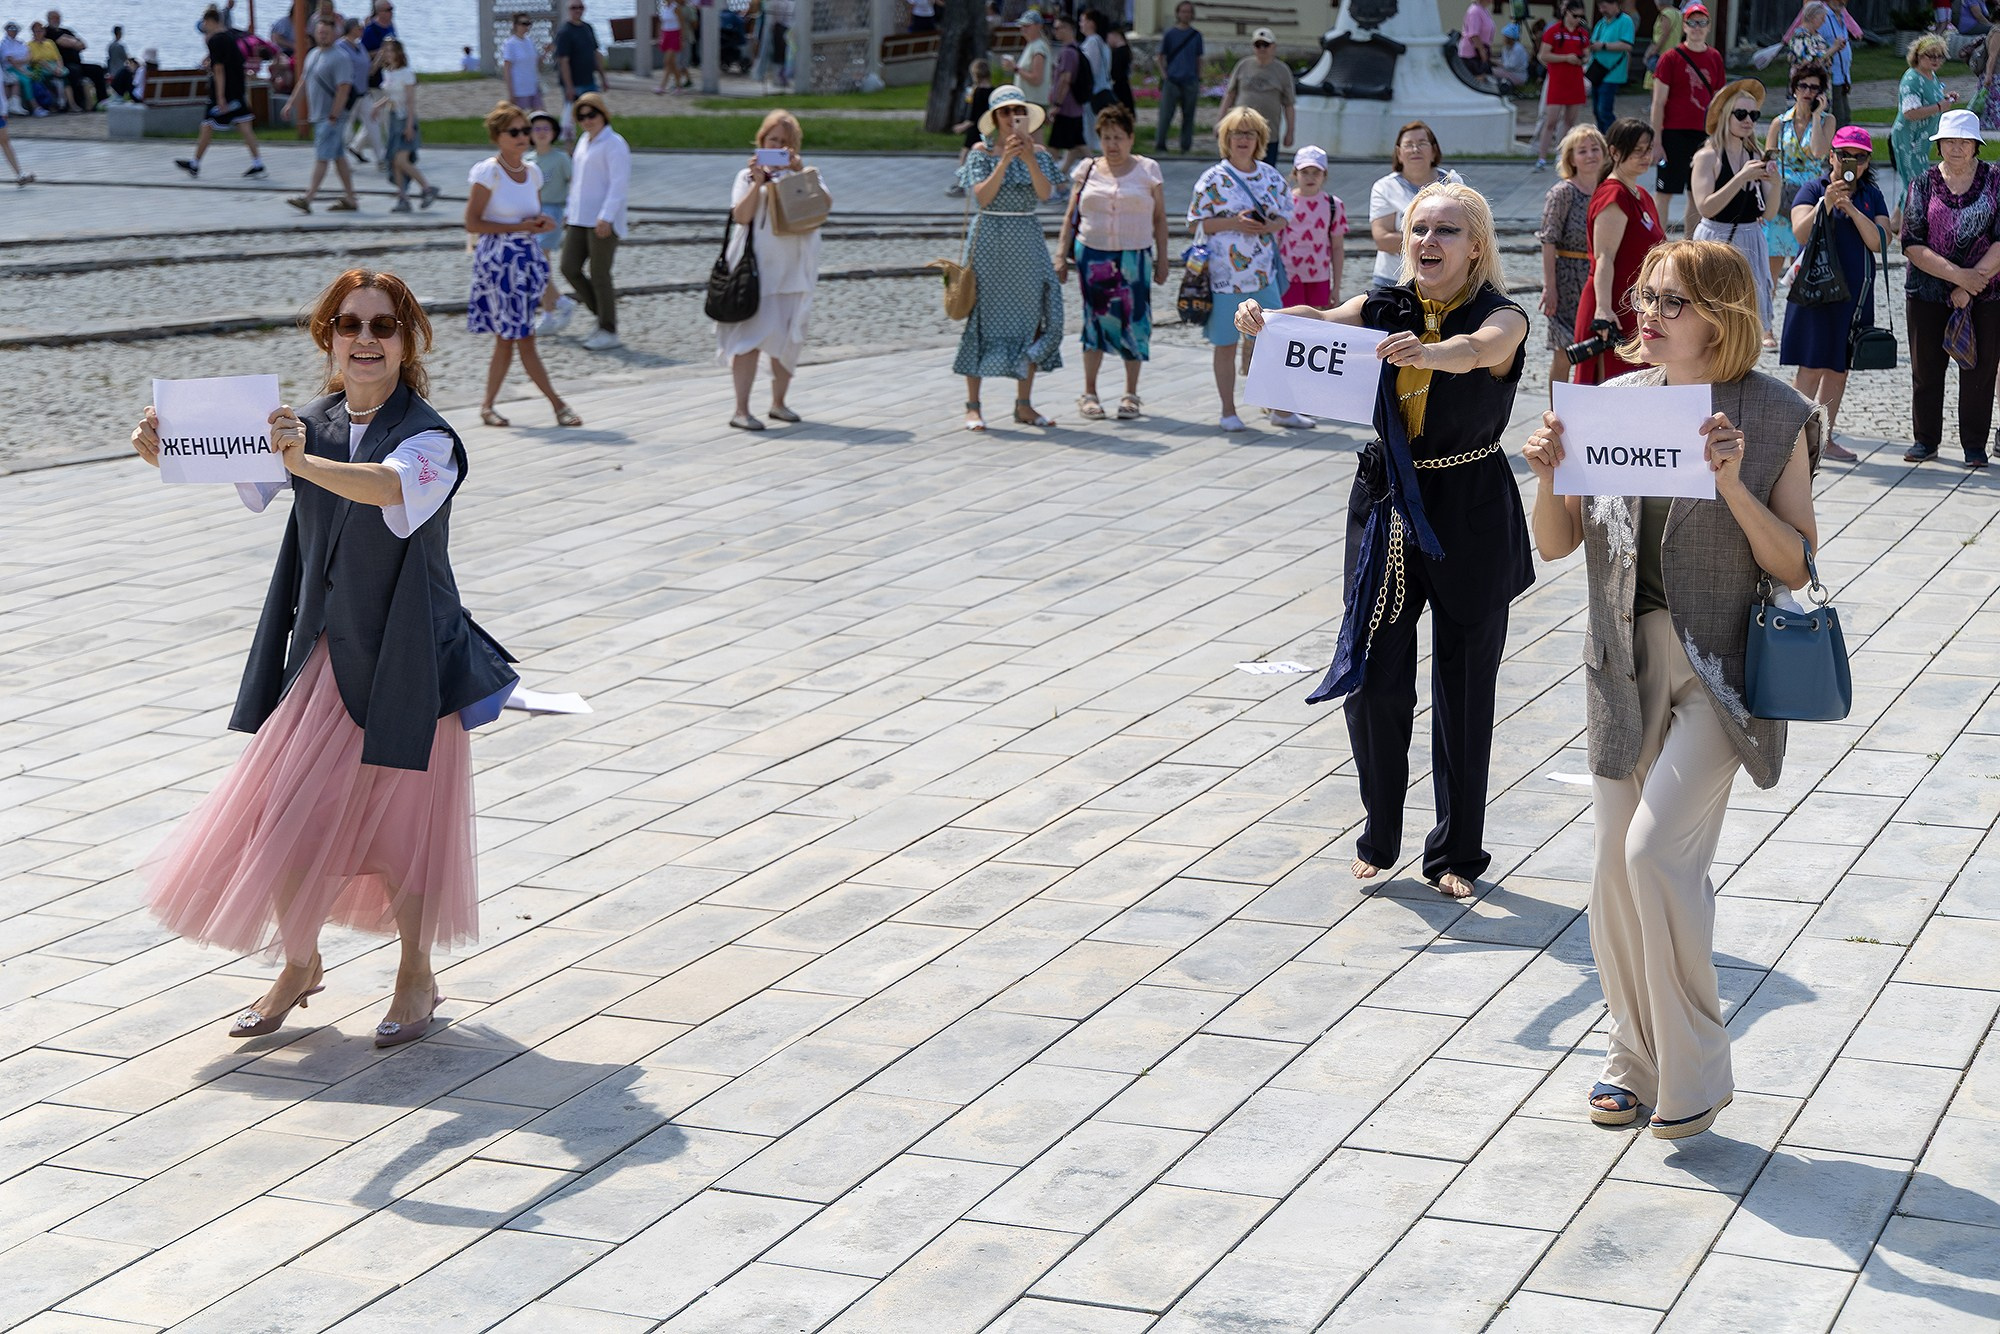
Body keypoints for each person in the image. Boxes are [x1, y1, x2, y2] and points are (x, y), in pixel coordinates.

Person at [128, 268, 523, 1049]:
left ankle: (416, 974)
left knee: (407, 827)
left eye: (383, 326)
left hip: (407, 659)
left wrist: (304, 463)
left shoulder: (431, 437)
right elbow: (232, 468)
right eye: (350, 325)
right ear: (328, 338)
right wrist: (160, 448)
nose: (365, 339)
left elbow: (386, 488)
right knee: (281, 814)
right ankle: (299, 965)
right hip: (320, 658)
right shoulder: (307, 421)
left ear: (409, 341)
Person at [1526, 238, 1822, 1140]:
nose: (1644, 315)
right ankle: (1632, 1055)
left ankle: (1694, 1069)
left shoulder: (1776, 414)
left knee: (1657, 855)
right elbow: (1554, 545)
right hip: (1622, 667)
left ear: (1722, 319)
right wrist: (1545, 478)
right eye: (1643, 297)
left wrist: (1732, 484)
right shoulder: (1609, 407)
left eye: (1669, 303)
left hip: (1723, 676)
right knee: (1614, 872)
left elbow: (1797, 565)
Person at [1235, 182, 1534, 901]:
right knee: (1371, 677)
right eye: (1418, 228)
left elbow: (1475, 351)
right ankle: (1381, 827)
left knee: (1465, 687)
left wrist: (1429, 355)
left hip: (1468, 507)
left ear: (1476, 246)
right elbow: (1319, 320)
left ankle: (1457, 850)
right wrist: (1265, 318)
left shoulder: (1503, 315)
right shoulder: (1384, 307)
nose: (1428, 241)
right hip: (1388, 504)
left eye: (1447, 231)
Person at [954, 85, 1063, 430]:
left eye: (1016, 111)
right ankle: (973, 405)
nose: (1010, 118)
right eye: (1003, 112)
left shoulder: (1040, 153)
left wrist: (1028, 157)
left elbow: (1046, 194)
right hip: (989, 239)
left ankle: (1024, 404)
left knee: (1032, 318)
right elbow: (983, 197)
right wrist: (1003, 160)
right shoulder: (980, 153)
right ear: (994, 118)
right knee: (981, 317)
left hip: (1026, 237)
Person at [465, 102, 581, 428]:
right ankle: (557, 404)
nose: (522, 137)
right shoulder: (489, 172)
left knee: (509, 336)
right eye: (514, 132)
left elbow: (530, 216)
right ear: (497, 136)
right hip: (499, 262)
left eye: (525, 131)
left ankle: (488, 406)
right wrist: (521, 227)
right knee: (521, 335)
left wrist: (540, 223)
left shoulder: (532, 172)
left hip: (526, 259)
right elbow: (473, 223)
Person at [1056, 102, 1168, 421]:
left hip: (1135, 255)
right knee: (1094, 321)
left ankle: (1130, 394)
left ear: (1131, 138)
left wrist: (1162, 260)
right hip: (1093, 254)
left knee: (1134, 322)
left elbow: (1160, 219)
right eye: (1106, 137)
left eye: (1118, 137)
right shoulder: (1087, 168)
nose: (1112, 144)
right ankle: (1089, 393)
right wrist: (1060, 255)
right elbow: (1070, 216)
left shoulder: (1148, 170)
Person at [717, 110, 830, 430]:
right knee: (748, 339)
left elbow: (824, 206)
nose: (778, 146)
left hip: (793, 270)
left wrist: (798, 174)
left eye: (785, 142)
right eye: (772, 141)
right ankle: (741, 409)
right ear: (761, 141)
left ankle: (779, 403)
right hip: (757, 271)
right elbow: (741, 216)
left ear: (794, 147)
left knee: (788, 339)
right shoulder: (746, 176)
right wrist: (758, 183)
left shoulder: (807, 174)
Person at [1780, 126, 1889, 450]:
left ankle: (1823, 438)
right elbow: (1800, 234)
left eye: (1860, 156)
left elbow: (1879, 242)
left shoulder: (1871, 195)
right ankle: (1793, 439)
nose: (1851, 161)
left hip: (1853, 295)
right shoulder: (1813, 189)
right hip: (1816, 291)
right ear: (1832, 156)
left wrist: (1852, 210)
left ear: (1868, 161)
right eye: (1844, 155)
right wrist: (1826, 204)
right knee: (1811, 366)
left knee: (1838, 369)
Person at [1904, 109, 2000, 467]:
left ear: (1976, 146)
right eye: (1949, 141)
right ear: (1939, 144)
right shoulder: (1923, 183)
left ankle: (1974, 444)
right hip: (1928, 292)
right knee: (1926, 368)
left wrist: (1973, 281)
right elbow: (1912, 242)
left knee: (1980, 369)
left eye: (1963, 141)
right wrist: (1958, 278)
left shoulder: (1996, 180)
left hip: (1986, 291)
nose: (1956, 147)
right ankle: (1925, 440)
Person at [1189, 107, 1292, 431]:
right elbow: (1199, 221)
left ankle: (1278, 408)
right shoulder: (1212, 179)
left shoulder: (1270, 175)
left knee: (1272, 341)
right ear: (1226, 139)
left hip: (1262, 273)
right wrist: (1235, 223)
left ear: (1259, 139)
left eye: (1249, 133)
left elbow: (1284, 216)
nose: (1243, 139)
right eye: (1237, 133)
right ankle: (1228, 410)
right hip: (1223, 280)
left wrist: (1268, 227)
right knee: (1226, 344)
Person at [1690, 80, 1780, 347]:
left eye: (1754, 115)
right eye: (1741, 114)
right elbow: (1706, 206)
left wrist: (1776, 183)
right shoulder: (1708, 156)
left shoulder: (1756, 153)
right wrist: (1741, 178)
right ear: (1725, 115)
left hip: (1751, 236)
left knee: (1746, 320)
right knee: (1713, 316)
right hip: (1715, 238)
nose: (1748, 121)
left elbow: (1771, 213)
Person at [1575, 117, 1665, 383]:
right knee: (1612, 387)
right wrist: (1603, 309)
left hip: (1636, 303)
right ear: (1614, 152)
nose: (1645, 156)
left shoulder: (1641, 194)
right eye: (1638, 150)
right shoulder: (1614, 195)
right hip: (1612, 303)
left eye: (1648, 149)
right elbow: (1604, 257)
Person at [1540, 124, 1609, 387]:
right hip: (1569, 276)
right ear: (1571, 158)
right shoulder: (1563, 193)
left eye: (1595, 149)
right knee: (1565, 351)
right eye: (1583, 151)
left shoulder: (1608, 189)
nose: (1590, 155)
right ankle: (1557, 413)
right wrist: (1550, 286)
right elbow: (1548, 240)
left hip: (1600, 277)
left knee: (1601, 348)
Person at [1649, 2, 1725, 237]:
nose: (1697, 28)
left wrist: (1719, 137)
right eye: (1692, 22)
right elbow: (1658, 101)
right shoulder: (1670, 58)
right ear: (1684, 26)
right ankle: (1659, 243)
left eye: (1701, 22)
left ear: (1708, 26)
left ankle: (1690, 244)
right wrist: (1656, 140)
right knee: (1665, 192)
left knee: (1697, 192)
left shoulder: (1714, 57)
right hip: (1673, 132)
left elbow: (1720, 100)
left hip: (1704, 134)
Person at [563, 91, 631, 351]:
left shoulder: (614, 143)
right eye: (581, 116)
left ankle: (608, 328)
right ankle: (601, 315)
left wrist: (607, 217)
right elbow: (578, 181)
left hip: (603, 219)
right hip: (580, 217)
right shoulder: (584, 141)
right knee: (569, 268)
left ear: (603, 114)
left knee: (600, 273)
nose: (587, 120)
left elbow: (618, 185)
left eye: (592, 114)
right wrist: (570, 211)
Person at [175, 6, 265, 180]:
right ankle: (257, 162)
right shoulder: (231, 37)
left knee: (208, 124)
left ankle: (195, 164)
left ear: (209, 21)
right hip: (237, 89)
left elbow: (219, 69)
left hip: (223, 92)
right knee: (243, 125)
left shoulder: (215, 40)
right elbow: (233, 62)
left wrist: (221, 97)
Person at [1370, 121, 1461, 289]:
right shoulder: (1384, 187)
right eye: (1408, 145)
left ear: (1434, 151)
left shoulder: (1453, 182)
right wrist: (1441, 240)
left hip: (1444, 279)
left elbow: (1466, 231)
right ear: (1399, 153)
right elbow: (1383, 240)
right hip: (1393, 279)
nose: (1415, 149)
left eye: (1422, 143)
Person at [1765, 63, 1833, 286]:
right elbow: (1768, 165)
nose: (1807, 92)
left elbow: (1818, 151)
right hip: (1782, 198)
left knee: (1803, 271)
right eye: (1803, 86)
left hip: (1809, 198)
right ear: (1794, 89)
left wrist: (1815, 117)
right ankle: (1767, 319)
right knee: (1770, 275)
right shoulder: (1779, 123)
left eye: (1814, 88)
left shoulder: (1827, 121)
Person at [285, 16, 359, 213]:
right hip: (319, 115)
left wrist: (333, 116)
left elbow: (343, 88)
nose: (323, 36)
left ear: (335, 34)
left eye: (326, 32)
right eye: (320, 32)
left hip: (332, 117)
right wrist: (291, 104)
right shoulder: (313, 55)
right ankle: (351, 199)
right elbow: (303, 81)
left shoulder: (340, 57)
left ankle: (308, 198)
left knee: (322, 157)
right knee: (338, 157)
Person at [1893, 36, 1955, 230]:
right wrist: (1939, 106)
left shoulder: (1931, 76)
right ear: (1918, 56)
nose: (1936, 60)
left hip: (1921, 141)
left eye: (1940, 56)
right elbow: (1910, 112)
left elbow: (1928, 101)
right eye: (1930, 55)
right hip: (1908, 140)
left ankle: (1895, 224)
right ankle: (1908, 230)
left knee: (1912, 181)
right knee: (1915, 184)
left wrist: (1945, 99)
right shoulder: (1912, 78)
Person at [528, 111, 578, 335]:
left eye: (545, 129)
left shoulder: (561, 159)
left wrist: (570, 211)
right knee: (539, 267)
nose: (541, 133)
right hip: (532, 215)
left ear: (554, 133)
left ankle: (558, 305)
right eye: (536, 128)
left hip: (553, 212)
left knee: (540, 263)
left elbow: (574, 186)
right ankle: (549, 313)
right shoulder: (527, 159)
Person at [1282, 143, 1346, 310]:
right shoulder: (1283, 202)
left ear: (1324, 175)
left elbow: (1337, 247)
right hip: (1287, 277)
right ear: (1295, 174)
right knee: (1289, 326)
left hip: (1319, 278)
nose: (1310, 177)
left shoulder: (1334, 205)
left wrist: (1336, 287)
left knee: (1315, 328)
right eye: (1305, 172)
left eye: (1316, 172)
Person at [1219, 27, 1295, 167]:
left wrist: (1290, 132)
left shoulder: (1282, 71)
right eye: (1257, 45)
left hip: (1268, 134)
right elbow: (1230, 94)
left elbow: (1289, 104)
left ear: (1273, 47)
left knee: (1266, 172)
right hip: (1240, 131)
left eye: (1265, 45)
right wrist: (1221, 121)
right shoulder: (1243, 65)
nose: (1261, 48)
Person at [377, 39, 437, 213]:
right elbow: (390, 95)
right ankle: (402, 197)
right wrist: (378, 106)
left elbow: (410, 101)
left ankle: (427, 188)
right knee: (395, 162)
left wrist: (410, 125)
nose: (388, 54)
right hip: (393, 117)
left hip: (405, 118)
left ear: (398, 53)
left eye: (391, 50)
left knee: (401, 159)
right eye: (386, 50)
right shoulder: (387, 72)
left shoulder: (406, 73)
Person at [1534, 3, 1590, 169]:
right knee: (1550, 120)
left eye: (1581, 16)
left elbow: (1586, 54)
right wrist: (1566, 58)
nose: (1577, 20)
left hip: (1575, 81)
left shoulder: (1582, 34)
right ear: (1566, 13)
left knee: (1570, 121)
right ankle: (1542, 157)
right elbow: (1544, 55)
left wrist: (1582, 59)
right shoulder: (1553, 31)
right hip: (1558, 81)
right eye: (1575, 16)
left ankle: (1562, 155)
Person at [1156, 1, 1202, 155]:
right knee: (1165, 115)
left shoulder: (1196, 35)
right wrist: (1165, 75)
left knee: (1188, 116)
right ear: (1178, 13)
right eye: (1183, 11)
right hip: (1173, 80)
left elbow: (1198, 58)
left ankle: (1185, 146)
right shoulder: (1170, 34)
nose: (1186, 15)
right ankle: (1160, 144)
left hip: (1190, 80)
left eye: (1189, 12)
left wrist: (1198, 77)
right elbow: (1160, 56)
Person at [1588, 0, 1634, 133]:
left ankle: (1615, 138)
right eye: (1600, 7)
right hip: (1598, 71)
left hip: (1612, 73)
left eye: (1604, 6)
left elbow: (1627, 45)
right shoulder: (1601, 23)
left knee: (1604, 110)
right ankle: (1604, 139)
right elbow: (1594, 41)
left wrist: (1603, 46)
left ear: (1615, 4)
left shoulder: (1625, 21)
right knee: (1597, 110)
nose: (1602, 10)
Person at [1049, 15, 1088, 174]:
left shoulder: (1067, 53)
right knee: (1078, 144)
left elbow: (1065, 79)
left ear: (1068, 29)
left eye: (1058, 28)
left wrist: (1057, 104)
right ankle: (1099, 172)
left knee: (1053, 147)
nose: (1055, 31)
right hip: (1074, 107)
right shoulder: (1075, 50)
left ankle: (1057, 184)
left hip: (1066, 108)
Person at [950, 58, 994, 196]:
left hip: (975, 128)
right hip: (988, 128)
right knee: (988, 155)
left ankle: (961, 184)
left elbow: (972, 115)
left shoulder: (976, 92)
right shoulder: (993, 92)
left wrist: (962, 126)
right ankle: (990, 183)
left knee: (964, 155)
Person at [44, 10, 101, 111]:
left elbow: (83, 44)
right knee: (74, 71)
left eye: (58, 17)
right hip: (62, 65)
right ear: (49, 19)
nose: (57, 20)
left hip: (77, 63)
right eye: (54, 18)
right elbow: (63, 42)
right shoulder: (48, 32)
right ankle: (78, 102)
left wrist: (72, 41)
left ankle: (101, 100)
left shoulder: (66, 31)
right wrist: (74, 42)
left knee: (97, 69)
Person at [1001, 9, 1051, 126]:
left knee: (1032, 140)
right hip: (1027, 101)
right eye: (1021, 26)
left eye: (1027, 26)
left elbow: (1036, 79)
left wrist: (1015, 68)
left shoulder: (1038, 47)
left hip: (1033, 102)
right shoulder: (1032, 45)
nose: (1023, 29)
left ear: (1038, 26)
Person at [555, 0, 605, 105]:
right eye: (574, 8)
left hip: (589, 80)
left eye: (580, 7)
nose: (578, 10)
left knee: (594, 110)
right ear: (569, 10)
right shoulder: (565, 32)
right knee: (574, 114)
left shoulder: (588, 28)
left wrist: (603, 77)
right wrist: (569, 86)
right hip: (575, 83)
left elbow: (595, 53)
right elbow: (563, 61)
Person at [1819, 0, 1854, 125]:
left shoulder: (1842, 16)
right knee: (1838, 119)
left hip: (1843, 75)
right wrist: (1834, 48)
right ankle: (1836, 144)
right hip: (1831, 76)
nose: (1842, 2)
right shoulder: (1822, 17)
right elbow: (1817, 50)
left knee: (1846, 117)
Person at [502, 11, 543, 111]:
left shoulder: (529, 41)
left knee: (540, 115)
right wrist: (511, 92)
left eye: (528, 24)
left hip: (533, 87)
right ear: (516, 25)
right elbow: (507, 69)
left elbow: (536, 62)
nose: (526, 26)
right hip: (519, 90)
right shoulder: (510, 44)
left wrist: (545, 53)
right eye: (523, 23)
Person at [1644, 0, 1681, 91]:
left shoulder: (1665, 14)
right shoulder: (1678, 13)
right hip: (1674, 52)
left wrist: (1653, 51)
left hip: (1662, 53)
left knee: (1656, 82)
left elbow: (1664, 35)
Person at [656, 0, 690, 93]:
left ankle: (662, 85)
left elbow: (682, 23)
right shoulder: (663, 8)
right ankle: (678, 85)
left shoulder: (676, 8)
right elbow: (662, 23)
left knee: (667, 61)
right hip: (666, 34)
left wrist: (682, 39)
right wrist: (660, 37)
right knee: (672, 63)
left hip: (675, 35)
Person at [1461, 0, 1497, 75]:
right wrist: (1482, 51)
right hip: (1472, 54)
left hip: (1483, 49)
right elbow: (1474, 34)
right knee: (1478, 78)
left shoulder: (1484, 10)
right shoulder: (1474, 11)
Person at [1497, 23, 1531, 88]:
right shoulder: (1506, 48)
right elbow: (1504, 61)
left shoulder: (1518, 49)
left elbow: (1510, 66)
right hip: (1511, 72)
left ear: (1510, 38)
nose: (1503, 38)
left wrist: (1496, 62)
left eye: (1505, 36)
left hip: (1518, 75)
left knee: (1493, 71)